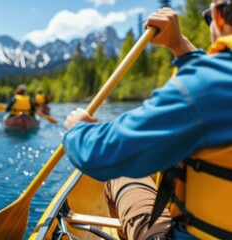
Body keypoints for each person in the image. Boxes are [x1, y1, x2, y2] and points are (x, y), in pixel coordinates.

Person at [63, 3, 232, 240]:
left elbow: (101, 155)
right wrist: (181, 47)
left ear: (218, 17)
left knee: (120, 175)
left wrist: (77, 130)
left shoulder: (208, 84)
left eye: (207, 17)